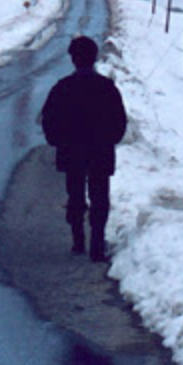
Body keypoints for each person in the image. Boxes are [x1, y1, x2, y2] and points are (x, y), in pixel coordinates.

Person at [40, 36, 127, 262]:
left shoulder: (62, 88)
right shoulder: (107, 88)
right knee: (100, 196)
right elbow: (120, 121)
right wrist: (110, 140)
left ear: (73, 59)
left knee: (75, 194)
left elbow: (49, 120)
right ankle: (97, 244)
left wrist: (58, 141)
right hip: (101, 150)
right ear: (94, 57)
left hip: (72, 151)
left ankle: (78, 240)